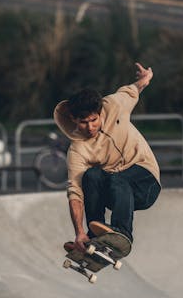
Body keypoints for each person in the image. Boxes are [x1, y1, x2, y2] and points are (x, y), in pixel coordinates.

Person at [54, 63, 161, 250]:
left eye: (94, 120)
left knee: (115, 179)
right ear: (73, 119)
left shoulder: (114, 105)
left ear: (100, 113)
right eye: (83, 123)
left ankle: (122, 234)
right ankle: (94, 236)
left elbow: (133, 90)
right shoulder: (77, 149)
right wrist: (79, 231)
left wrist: (145, 78)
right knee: (90, 176)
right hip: (119, 194)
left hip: (146, 181)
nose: (90, 128)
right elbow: (75, 193)